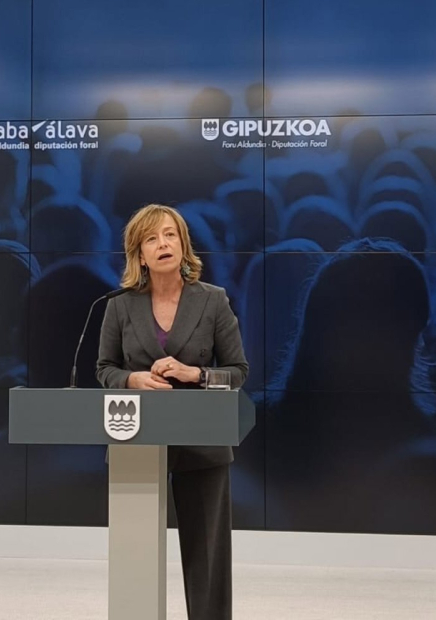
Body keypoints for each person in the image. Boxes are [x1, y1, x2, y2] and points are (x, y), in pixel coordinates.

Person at [97, 203, 249, 620]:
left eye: (169, 234)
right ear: (139, 255)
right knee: (136, 553)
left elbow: (238, 372)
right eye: (151, 238)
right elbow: (104, 368)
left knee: (207, 556)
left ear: (183, 244)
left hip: (202, 442)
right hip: (136, 442)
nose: (163, 244)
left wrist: (195, 373)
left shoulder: (213, 300)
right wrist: (131, 380)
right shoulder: (119, 305)